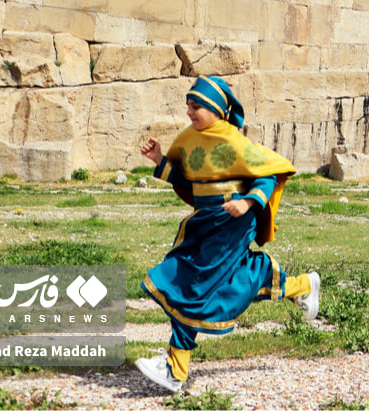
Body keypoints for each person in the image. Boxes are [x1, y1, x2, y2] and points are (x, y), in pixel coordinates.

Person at [134, 75, 320, 393]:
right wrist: (160, 160)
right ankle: (301, 286)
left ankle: (174, 370)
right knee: (205, 277)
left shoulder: (235, 141)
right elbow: (186, 178)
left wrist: (248, 201)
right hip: (204, 222)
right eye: (188, 106)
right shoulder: (189, 139)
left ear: (217, 109)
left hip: (233, 222)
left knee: (193, 286)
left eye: (197, 106)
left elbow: (268, 172)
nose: (190, 112)